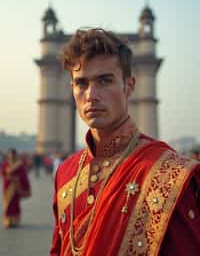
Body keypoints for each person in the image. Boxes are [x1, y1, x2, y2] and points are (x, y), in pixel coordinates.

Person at [50, 28, 200, 256]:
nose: (91, 95)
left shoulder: (169, 174)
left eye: (105, 80)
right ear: (72, 90)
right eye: (81, 83)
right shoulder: (66, 173)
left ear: (129, 86)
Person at [1, 148, 31, 228]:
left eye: (12, 155)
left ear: (15, 155)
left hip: (16, 187)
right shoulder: (5, 164)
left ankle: (15, 221)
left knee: (15, 204)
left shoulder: (19, 165)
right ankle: (7, 221)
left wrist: (16, 178)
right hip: (7, 186)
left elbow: (23, 176)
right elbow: (3, 174)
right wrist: (9, 177)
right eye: (9, 155)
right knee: (7, 204)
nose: (11, 156)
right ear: (8, 155)